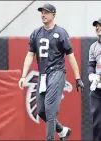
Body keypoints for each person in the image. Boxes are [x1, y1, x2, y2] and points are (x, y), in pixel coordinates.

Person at [18, 3, 84, 141]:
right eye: (42, 12)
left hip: (57, 72)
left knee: (49, 109)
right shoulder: (36, 33)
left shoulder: (60, 32)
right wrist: (23, 76)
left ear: (53, 15)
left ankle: (50, 139)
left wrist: (78, 78)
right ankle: (62, 130)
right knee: (41, 110)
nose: (43, 14)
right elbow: (30, 55)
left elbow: (70, 55)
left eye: (46, 12)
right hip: (43, 75)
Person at [88, 18, 101, 141]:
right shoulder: (93, 47)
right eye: (96, 26)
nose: (97, 28)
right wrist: (91, 75)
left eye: (100, 25)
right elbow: (91, 65)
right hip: (97, 89)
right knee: (97, 123)